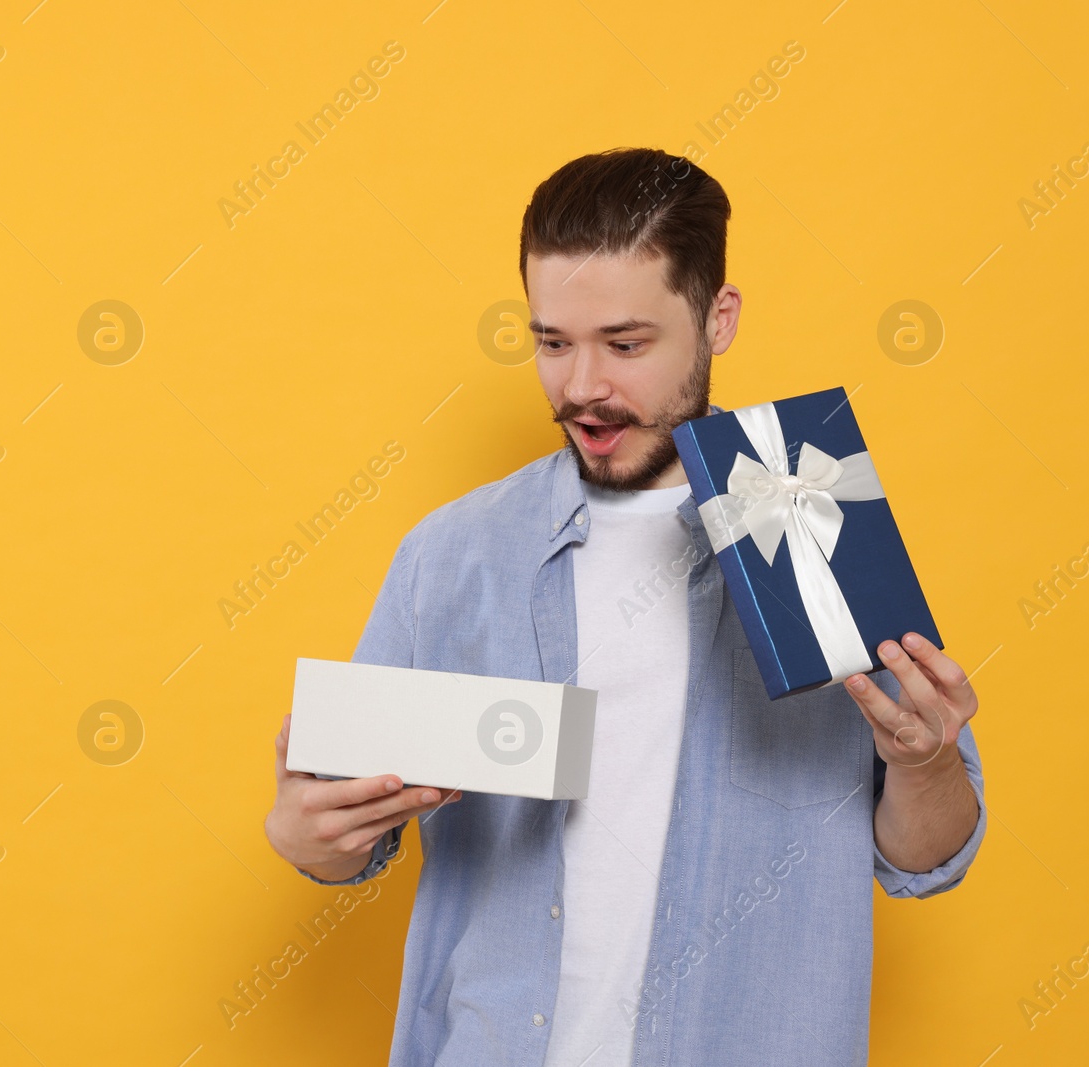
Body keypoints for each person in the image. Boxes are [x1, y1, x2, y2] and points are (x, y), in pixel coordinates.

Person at [262, 147, 985, 1067]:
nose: (582, 387)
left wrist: (925, 766)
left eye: (627, 344)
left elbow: (922, 859)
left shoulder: (818, 524)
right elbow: (343, 838)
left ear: (717, 319)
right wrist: (306, 834)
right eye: (553, 342)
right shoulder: (451, 555)